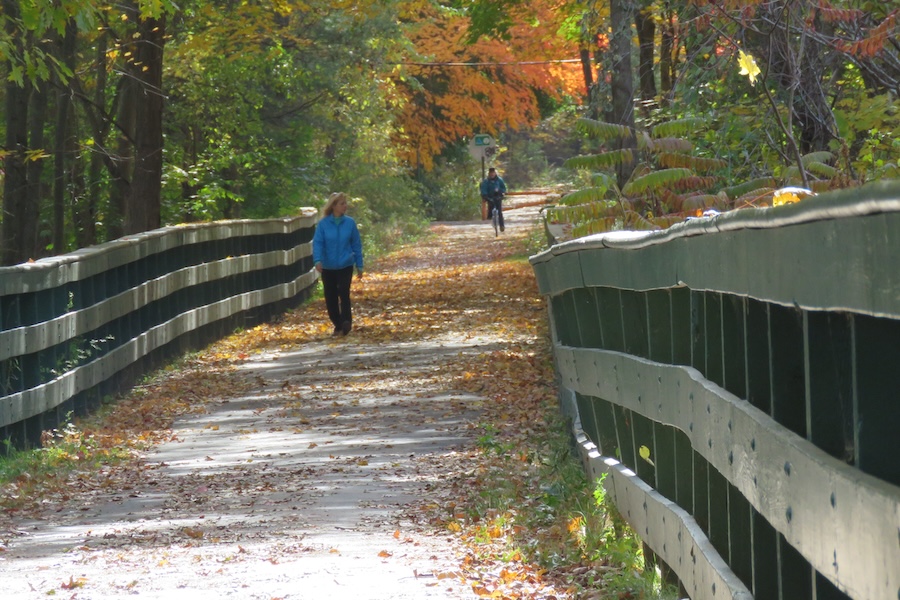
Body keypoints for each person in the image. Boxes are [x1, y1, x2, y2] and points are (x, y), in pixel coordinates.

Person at [312, 192, 364, 336]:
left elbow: (356, 244)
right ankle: (338, 323)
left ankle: (346, 322)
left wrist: (359, 264)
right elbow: (318, 243)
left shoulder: (350, 223)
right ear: (334, 206)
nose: (345, 206)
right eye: (342, 204)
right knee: (330, 296)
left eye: (345, 203)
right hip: (328, 266)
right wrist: (317, 260)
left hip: (345, 264)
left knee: (344, 293)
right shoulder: (323, 224)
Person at [480, 167, 507, 232]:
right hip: (490, 197)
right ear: (489, 174)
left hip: (498, 197)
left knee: (499, 212)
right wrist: (485, 195)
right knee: (491, 208)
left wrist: (502, 193)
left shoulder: (499, 180)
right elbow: (483, 189)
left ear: (495, 173)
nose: (492, 174)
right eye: (491, 173)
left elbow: (503, 188)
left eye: (493, 173)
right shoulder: (486, 181)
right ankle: (490, 217)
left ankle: (501, 226)